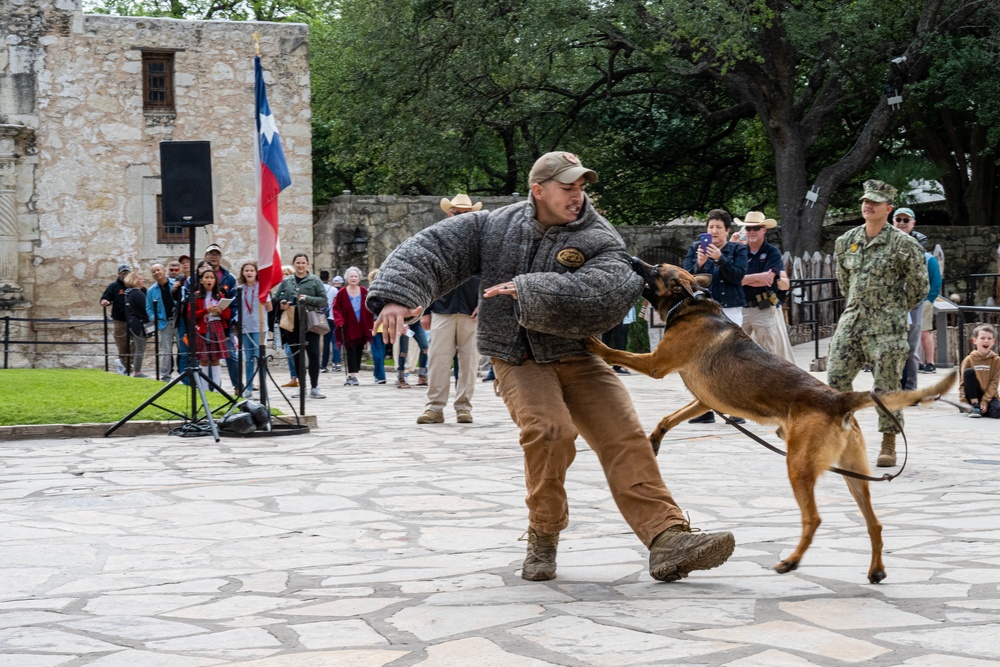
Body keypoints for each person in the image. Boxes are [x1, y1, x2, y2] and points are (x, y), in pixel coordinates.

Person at [368, 150, 735, 583]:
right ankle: (543, 534)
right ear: (538, 190)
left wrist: (529, 290)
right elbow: (432, 249)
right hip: (517, 357)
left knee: (625, 435)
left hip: (579, 354)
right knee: (549, 431)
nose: (577, 195)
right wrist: (396, 295)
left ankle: (667, 538)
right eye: (567, 187)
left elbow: (609, 289)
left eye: (581, 186)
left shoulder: (599, 235)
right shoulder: (494, 226)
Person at [827, 180, 929, 467]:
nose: (867, 205)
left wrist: (894, 310)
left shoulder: (904, 244)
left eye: (874, 201)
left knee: (885, 386)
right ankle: (846, 436)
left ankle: (888, 442)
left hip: (887, 326)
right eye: (865, 200)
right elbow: (845, 282)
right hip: (853, 320)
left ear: (889, 208)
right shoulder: (846, 240)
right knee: (835, 379)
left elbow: (919, 287)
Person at [416, 194, 483, 424]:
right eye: (457, 213)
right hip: (442, 309)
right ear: (449, 213)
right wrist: (425, 310)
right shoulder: (437, 239)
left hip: (472, 311)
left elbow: (492, 274)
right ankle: (434, 407)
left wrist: (484, 304)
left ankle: (464, 407)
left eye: (466, 213)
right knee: (438, 361)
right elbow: (427, 276)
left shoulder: (482, 241)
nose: (461, 217)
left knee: (469, 362)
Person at [683, 209, 748, 424]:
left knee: (730, 358)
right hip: (703, 310)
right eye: (710, 227)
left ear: (728, 231)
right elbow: (686, 280)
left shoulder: (737, 249)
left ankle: (736, 408)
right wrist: (699, 265)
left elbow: (737, 276)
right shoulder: (695, 249)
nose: (714, 231)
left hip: (729, 308)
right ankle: (704, 409)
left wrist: (720, 259)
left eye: (718, 227)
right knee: (700, 360)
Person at [736, 212, 796, 364]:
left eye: (756, 228)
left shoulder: (772, 252)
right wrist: (758, 278)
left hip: (763, 308)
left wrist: (745, 279)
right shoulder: (739, 251)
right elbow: (735, 279)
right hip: (741, 308)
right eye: (748, 228)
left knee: (768, 353)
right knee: (736, 352)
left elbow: (768, 281)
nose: (752, 232)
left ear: (764, 229)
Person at [275, 254, 328, 399]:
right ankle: (302, 387)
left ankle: (315, 387)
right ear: (293, 264)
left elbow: (323, 300)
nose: (300, 265)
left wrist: (308, 299)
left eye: (303, 263)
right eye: (297, 262)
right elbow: (276, 297)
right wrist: (281, 303)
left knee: (313, 354)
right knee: (297, 356)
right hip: (293, 322)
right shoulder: (288, 282)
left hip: (310, 321)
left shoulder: (315, 281)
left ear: (307, 264)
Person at [893, 208, 928, 390]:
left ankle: (910, 388)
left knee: (911, 347)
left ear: (913, 223)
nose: (901, 223)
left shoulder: (919, 241)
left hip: (912, 301)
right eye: (898, 219)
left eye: (906, 220)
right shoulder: (884, 238)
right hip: (891, 300)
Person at [201, 244, 240, 390]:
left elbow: (234, 300)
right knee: (207, 356)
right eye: (211, 254)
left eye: (217, 254)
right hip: (205, 324)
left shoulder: (229, 277)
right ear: (206, 256)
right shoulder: (198, 276)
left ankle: (237, 385)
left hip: (224, 322)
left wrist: (233, 318)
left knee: (230, 354)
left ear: (221, 257)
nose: (214, 256)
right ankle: (210, 387)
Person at [332, 266, 373, 386]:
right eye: (351, 276)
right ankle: (352, 375)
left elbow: (369, 308)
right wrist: (339, 321)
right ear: (347, 278)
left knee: (359, 350)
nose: (353, 278)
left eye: (356, 276)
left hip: (361, 326)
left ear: (359, 278)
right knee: (350, 350)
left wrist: (370, 324)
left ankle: (352, 374)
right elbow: (336, 309)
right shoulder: (342, 293)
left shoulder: (364, 292)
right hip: (348, 326)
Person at [192, 266, 231, 391]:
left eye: (211, 278)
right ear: (201, 280)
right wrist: (206, 310)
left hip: (216, 326)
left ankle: (216, 388)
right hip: (202, 328)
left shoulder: (220, 295)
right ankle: (204, 389)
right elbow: (190, 314)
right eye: (206, 277)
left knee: (215, 359)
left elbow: (228, 315)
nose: (209, 280)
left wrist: (219, 311)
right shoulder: (196, 296)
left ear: (215, 280)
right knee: (203, 359)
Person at [238, 261, 272, 397]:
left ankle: (263, 386)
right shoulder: (240, 288)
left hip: (259, 326)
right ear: (243, 273)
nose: (249, 273)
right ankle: (249, 387)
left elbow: (269, 308)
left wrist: (265, 300)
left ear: (256, 272)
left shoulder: (261, 288)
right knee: (248, 358)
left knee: (260, 357)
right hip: (245, 328)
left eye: (252, 270)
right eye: (246, 270)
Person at [959, 324, 1000, 419]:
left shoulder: (996, 360)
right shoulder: (969, 359)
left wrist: (985, 401)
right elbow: (962, 383)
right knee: (969, 372)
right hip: (973, 395)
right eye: (982, 338)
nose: (986, 341)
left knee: (997, 411)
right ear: (975, 341)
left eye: (989, 338)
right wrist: (963, 402)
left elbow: (995, 382)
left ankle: (982, 409)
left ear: (993, 341)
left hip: (989, 396)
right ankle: (975, 406)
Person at [100, 263, 132, 375]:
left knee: (136, 344)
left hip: (134, 320)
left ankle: (126, 365)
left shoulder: (134, 285)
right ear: (119, 274)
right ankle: (124, 368)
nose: (125, 274)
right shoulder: (114, 286)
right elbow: (105, 297)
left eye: (127, 272)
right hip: (120, 321)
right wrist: (105, 301)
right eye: (123, 272)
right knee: (122, 345)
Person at [146, 263, 176, 381]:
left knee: (183, 348)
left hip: (178, 321)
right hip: (164, 323)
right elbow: (149, 308)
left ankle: (186, 374)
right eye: (153, 271)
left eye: (158, 270)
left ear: (164, 271)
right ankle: (165, 376)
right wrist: (155, 320)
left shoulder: (175, 284)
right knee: (165, 351)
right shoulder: (151, 291)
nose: (156, 273)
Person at [123, 271, 150, 378]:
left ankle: (137, 370)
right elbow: (146, 309)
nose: (143, 280)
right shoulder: (138, 293)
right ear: (135, 281)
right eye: (141, 279)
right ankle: (137, 372)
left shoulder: (129, 293)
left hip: (133, 324)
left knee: (138, 347)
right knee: (140, 348)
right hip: (139, 324)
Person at [367, 269, 388, 385]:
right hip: (375, 324)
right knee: (378, 352)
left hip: (382, 324)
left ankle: (379, 375)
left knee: (380, 351)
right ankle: (380, 375)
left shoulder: (382, 292)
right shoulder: (371, 292)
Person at [601, 307, 635, 375]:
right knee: (620, 340)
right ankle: (617, 367)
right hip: (619, 314)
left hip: (611, 314)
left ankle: (603, 365)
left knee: (607, 339)